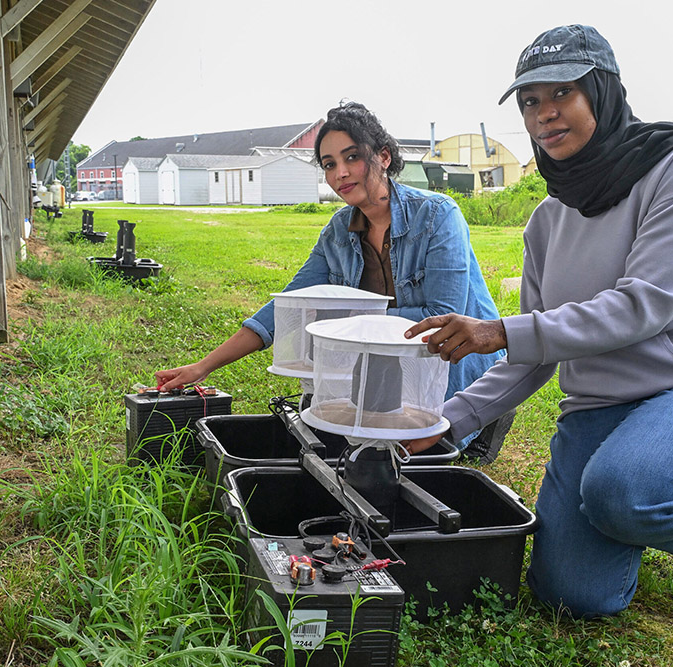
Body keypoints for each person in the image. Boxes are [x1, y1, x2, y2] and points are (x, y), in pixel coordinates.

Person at [404, 25, 673, 617]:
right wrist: (446, 423)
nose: (544, 114)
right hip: (600, 409)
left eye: (562, 94)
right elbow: (535, 352)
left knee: (623, 492)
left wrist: (500, 329)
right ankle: (631, 495)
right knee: (570, 597)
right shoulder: (546, 222)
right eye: (530, 102)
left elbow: (646, 302)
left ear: (601, 93)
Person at [156, 101, 513, 457]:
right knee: (333, 438)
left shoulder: (437, 215)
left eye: (352, 157)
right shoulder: (339, 231)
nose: (340, 173)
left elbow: (442, 315)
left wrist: (348, 322)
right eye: (329, 165)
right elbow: (288, 306)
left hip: (450, 364)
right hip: (384, 365)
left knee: (411, 456)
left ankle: (487, 421)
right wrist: (202, 366)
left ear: (383, 157)